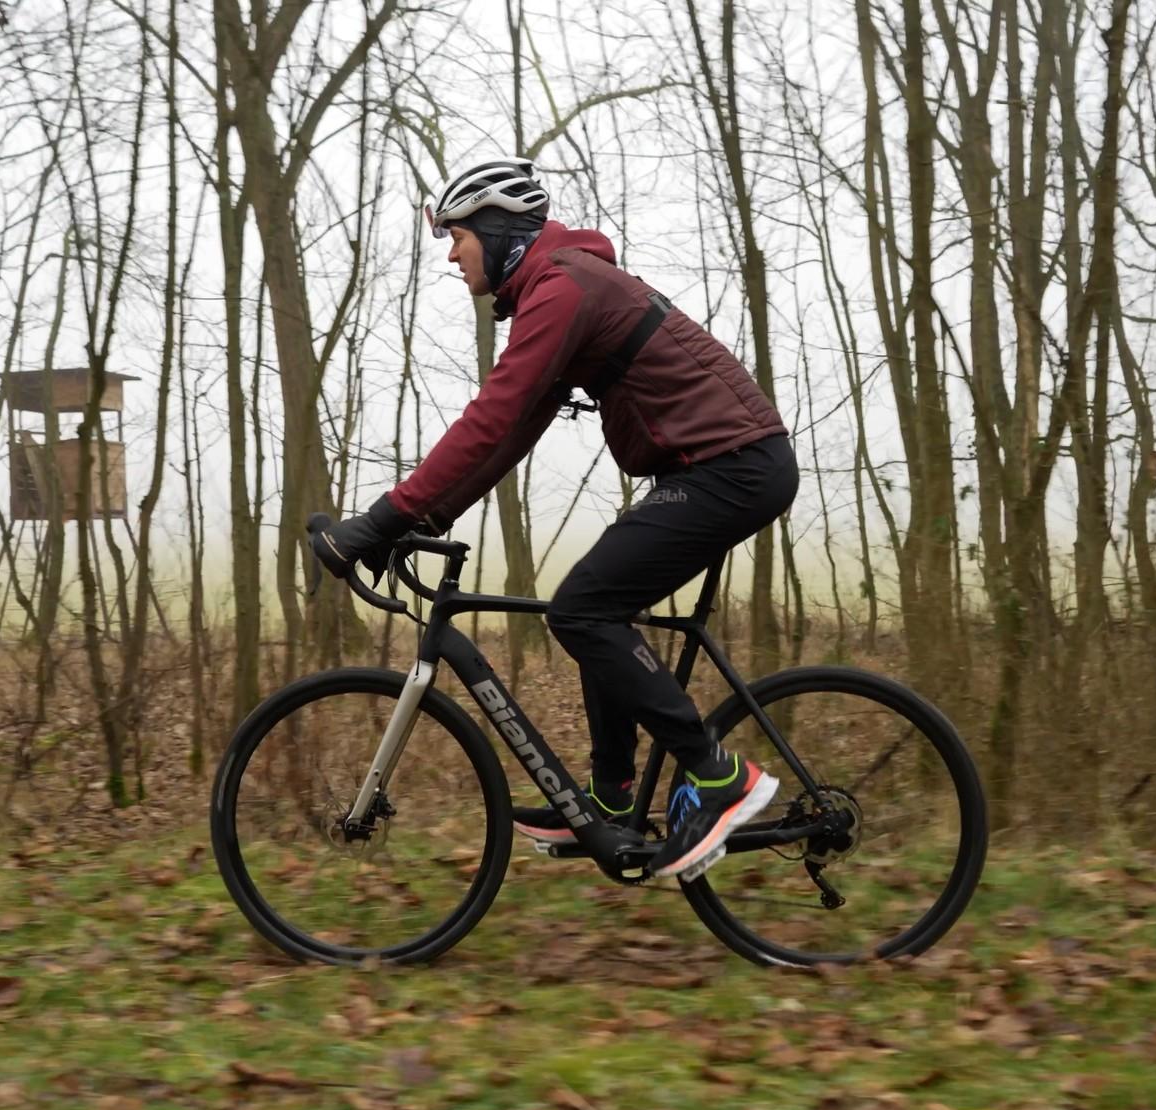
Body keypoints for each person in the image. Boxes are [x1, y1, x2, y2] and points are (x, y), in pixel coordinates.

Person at [311, 157, 798, 882]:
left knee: (582, 608)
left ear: (499, 230)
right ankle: (609, 794)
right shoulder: (561, 285)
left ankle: (716, 773)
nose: (451, 254)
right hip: (717, 467)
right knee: (597, 603)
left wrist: (383, 518)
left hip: (735, 467)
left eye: (458, 236)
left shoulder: (562, 285)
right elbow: (511, 434)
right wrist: (423, 514)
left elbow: (492, 416)